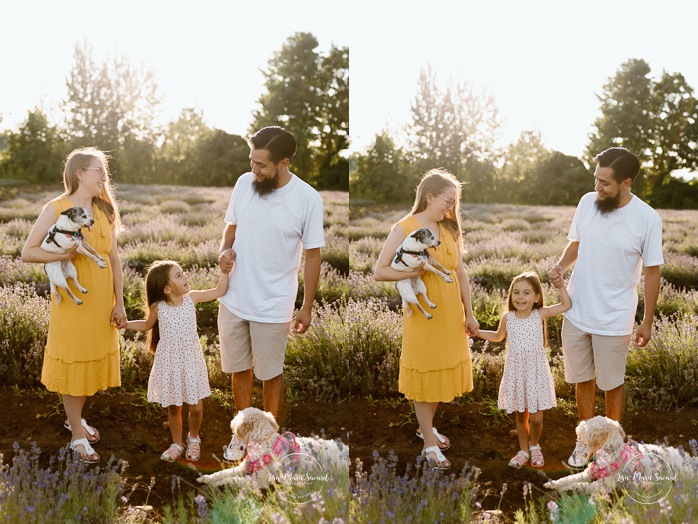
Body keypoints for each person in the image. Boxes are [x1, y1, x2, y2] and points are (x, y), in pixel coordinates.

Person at [549, 147, 663, 468]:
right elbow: (576, 243)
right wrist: (560, 266)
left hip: (615, 317)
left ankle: (612, 445)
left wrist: (647, 320)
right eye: (596, 180)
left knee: (611, 383)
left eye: (605, 184)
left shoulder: (647, 218)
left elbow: (653, 271)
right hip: (576, 310)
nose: (597, 188)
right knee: (582, 379)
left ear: (626, 183)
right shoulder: (588, 202)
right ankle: (586, 442)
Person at [21, 147, 127, 463]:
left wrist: (119, 303)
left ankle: (74, 418)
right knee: (73, 362)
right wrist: (65, 255)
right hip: (73, 303)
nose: (104, 176)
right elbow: (29, 251)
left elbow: (114, 259)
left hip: (101, 303)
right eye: (99, 170)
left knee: (90, 363)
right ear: (80, 173)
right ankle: (77, 437)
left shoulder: (104, 210)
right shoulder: (56, 208)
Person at [373, 168, 479, 470]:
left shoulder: (449, 228)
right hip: (423, 314)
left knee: (440, 374)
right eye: (447, 201)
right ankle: (429, 445)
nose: (451, 208)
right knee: (425, 373)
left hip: (450, 315)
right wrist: (414, 272)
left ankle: (426, 426)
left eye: (454, 202)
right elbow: (380, 271)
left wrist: (469, 313)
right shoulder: (404, 227)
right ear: (429, 196)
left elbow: (459, 272)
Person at [217, 126, 325, 421]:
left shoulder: (308, 199)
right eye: (251, 161)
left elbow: (313, 255)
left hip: (274, 303)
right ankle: (243, 433)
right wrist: (224, 251)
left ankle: (266, 437)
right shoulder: (243, 183)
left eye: (261, 164)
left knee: (270, 374)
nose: (254, 170)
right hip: (233, 298)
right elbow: (232, 227)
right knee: (239, 370)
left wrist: (306, 307)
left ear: (284, 163)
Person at [124, 260, 229, 462]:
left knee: (196, 406)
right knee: (174, 407)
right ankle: (176, 443)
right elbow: (146, 325)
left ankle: (194, 438)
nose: (185, 276)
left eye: (183, 272)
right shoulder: (159, 308)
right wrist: (125, 324)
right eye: (179, 275)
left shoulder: (192, 298)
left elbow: (219, 290)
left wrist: (226, 271)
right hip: (170, 362)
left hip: (190, 360)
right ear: (166, 288)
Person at [475, 271, 571, 468]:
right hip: (516, 371)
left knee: (536, 418)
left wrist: (561, 286)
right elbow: (497, 337)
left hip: (535, 371)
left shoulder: (540, 314)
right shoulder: (508, 318)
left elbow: (565, 305)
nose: (520, 297)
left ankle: (534, 445)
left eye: (526, 293)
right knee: (521, 414)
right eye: (516, 292)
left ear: (536, 297)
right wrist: (476, 332)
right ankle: (523, 451)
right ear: (510, 296)